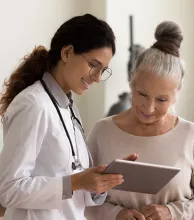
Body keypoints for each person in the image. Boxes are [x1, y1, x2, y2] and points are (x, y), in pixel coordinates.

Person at [0, 14, 136, 220]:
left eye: (103, 70)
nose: (98, 78)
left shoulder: (68, 107)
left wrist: (99, 182)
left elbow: (71, 188)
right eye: (93, 65)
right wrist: (76, 182)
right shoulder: (33, 105)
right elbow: (9, 190)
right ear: (67, 52)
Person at [85, 21, 194, 220]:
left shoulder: (189, 134)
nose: (149, 108)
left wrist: (172, 212)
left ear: (176, 96)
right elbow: (81, 198)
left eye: (161, 100)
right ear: (131, 83)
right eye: (142, 94)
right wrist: (116, 214)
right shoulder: (102, 131)